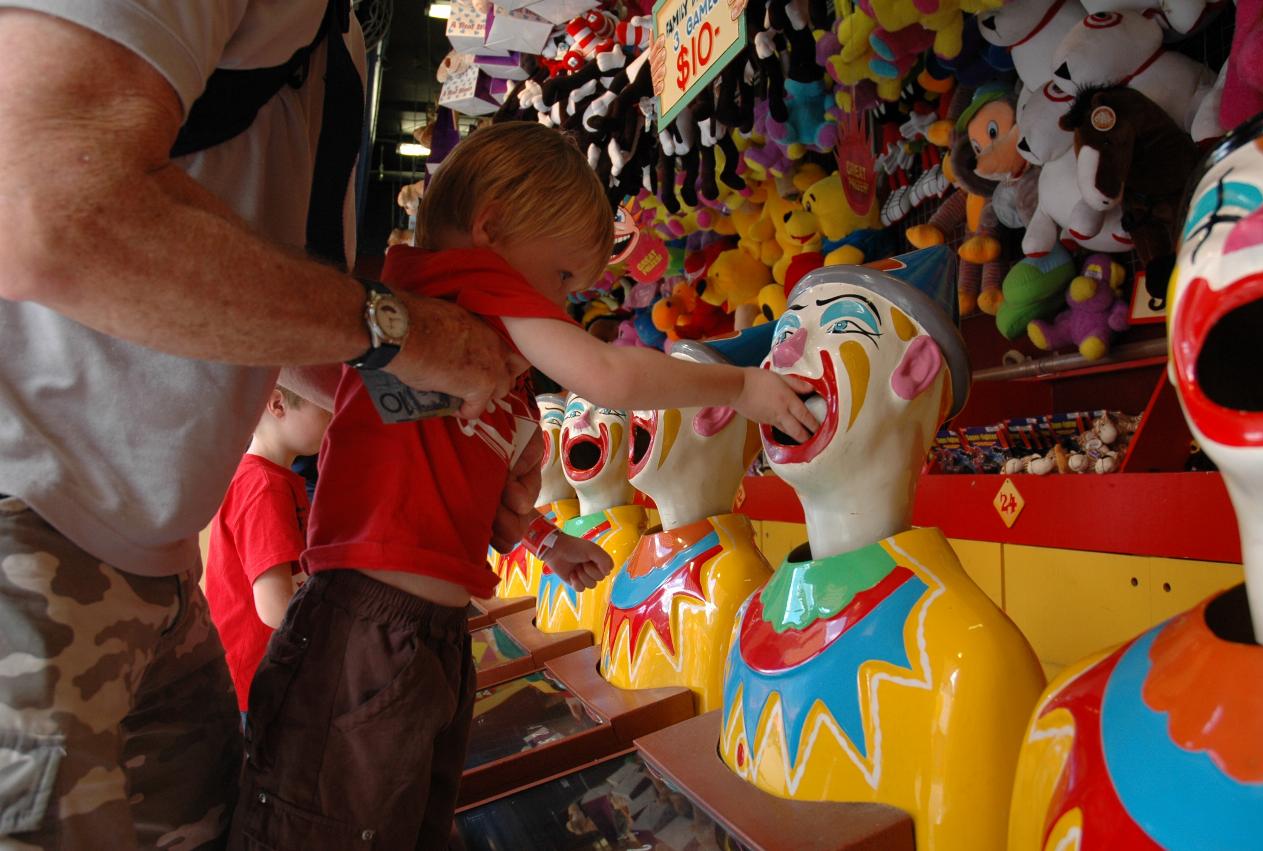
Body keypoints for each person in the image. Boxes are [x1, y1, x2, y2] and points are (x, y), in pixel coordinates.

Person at [0, 3, 526, 848]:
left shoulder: (338, 35)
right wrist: (400, 331)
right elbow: (48, 210)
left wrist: (440, 448)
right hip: (29, 531)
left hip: (150, 567)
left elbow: (256, 310)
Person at [229, 121, 819, 849]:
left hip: (427, 632)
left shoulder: (486, 348)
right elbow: (606, 375)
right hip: (367, 621)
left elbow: (479, 482)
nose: (565, 306)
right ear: (492, 229)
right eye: (564, 277)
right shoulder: (463, 282)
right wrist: (740, 385)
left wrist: (550, 542)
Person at [206, 387, 331, 720]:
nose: (335, 415)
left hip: (269, 675)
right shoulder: (264, 486)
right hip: (259, 682)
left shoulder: (274, 479)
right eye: (325, 405)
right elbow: (276, 609)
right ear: (277, 404)